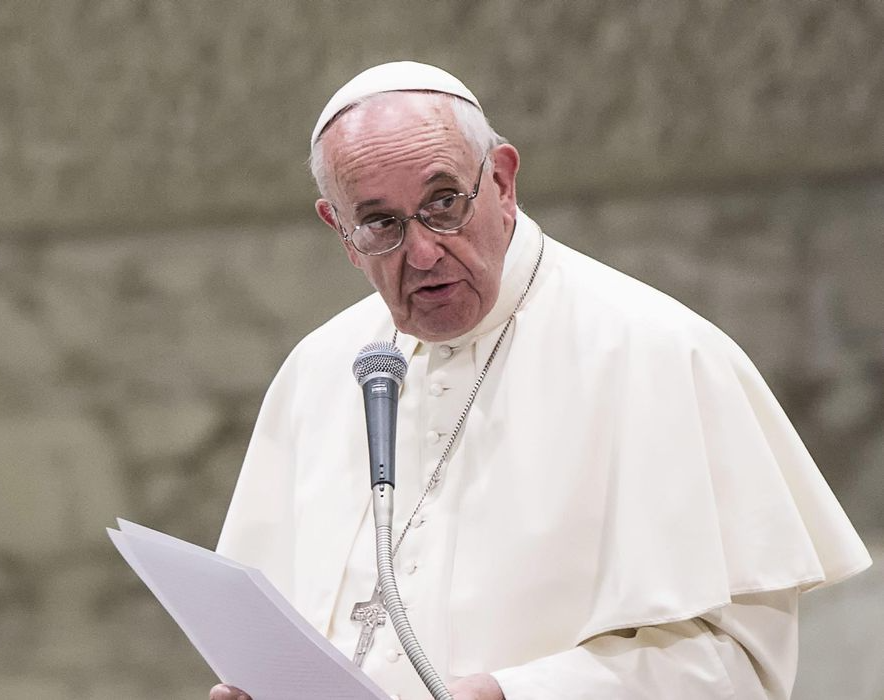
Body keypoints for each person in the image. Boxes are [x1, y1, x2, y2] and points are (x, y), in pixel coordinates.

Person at [208, 62, 872, 700]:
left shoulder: (656, 353)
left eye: (444, 203)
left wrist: (519, 694)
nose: (423, 252)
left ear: (501, 180)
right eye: (380, 222)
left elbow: (738, 670)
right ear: (340, 231)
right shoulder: (319, 370)